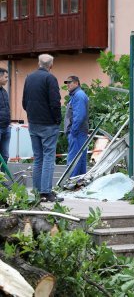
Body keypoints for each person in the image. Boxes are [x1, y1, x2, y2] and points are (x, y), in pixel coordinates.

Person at [22, 54, 63, 202]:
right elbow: (55, 102)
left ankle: (38, 191)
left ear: (38, 63)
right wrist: (58, 119)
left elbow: (24, 102)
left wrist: (32, 116)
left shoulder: (29, 77)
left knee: (38, 158)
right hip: (48, 125)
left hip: (33, 123)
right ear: (51, 65)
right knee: (48, 158)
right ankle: (46, 192)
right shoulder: (50, 79)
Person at [64, 76, 89, 177]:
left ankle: (71, 183)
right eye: (67, 83)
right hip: (79, 132)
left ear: (76, 83)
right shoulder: (77, 95)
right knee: (80, 159)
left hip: (77, 133)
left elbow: (79, 116)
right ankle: (79, 183)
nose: (68, 85)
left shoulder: (78, 95)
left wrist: (73, 132)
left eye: (70, 82)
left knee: (74, 159)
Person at [0, 68, 10, 172]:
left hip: (6, 128)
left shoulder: (4, 91)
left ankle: (1, 182)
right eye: (5, 77)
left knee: (5, 156)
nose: (7, 79)